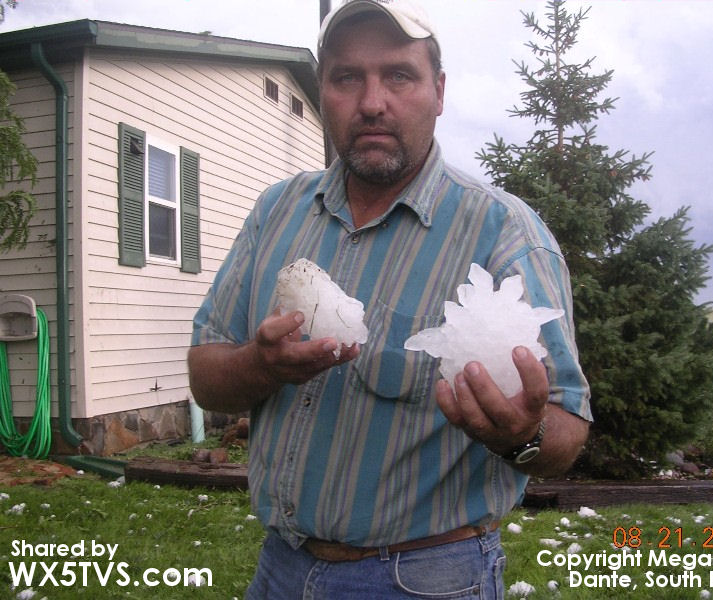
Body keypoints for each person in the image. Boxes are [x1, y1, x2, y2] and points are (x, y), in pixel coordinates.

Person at [188, 1, 592, 597]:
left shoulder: (504, 233)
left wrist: (520, 434)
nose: (372, 102)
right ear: (323, 91)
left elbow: (568, 429)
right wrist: (261, 364)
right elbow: (206, 375)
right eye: (346, 77)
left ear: (439, 91)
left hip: (424, 577)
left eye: (399, 75)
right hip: (279, 567)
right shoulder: (276, 211)